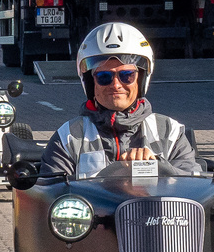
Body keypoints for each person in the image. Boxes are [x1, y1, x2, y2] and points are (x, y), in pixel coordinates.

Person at [38, 22, 201, 178]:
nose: (116, 85)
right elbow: (51, 190)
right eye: (104, 77)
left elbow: (195, 184)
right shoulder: (67, 137)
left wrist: (157, 165)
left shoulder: (169, 132)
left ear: (141, 79)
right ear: (89, 82)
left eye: (127, 76)